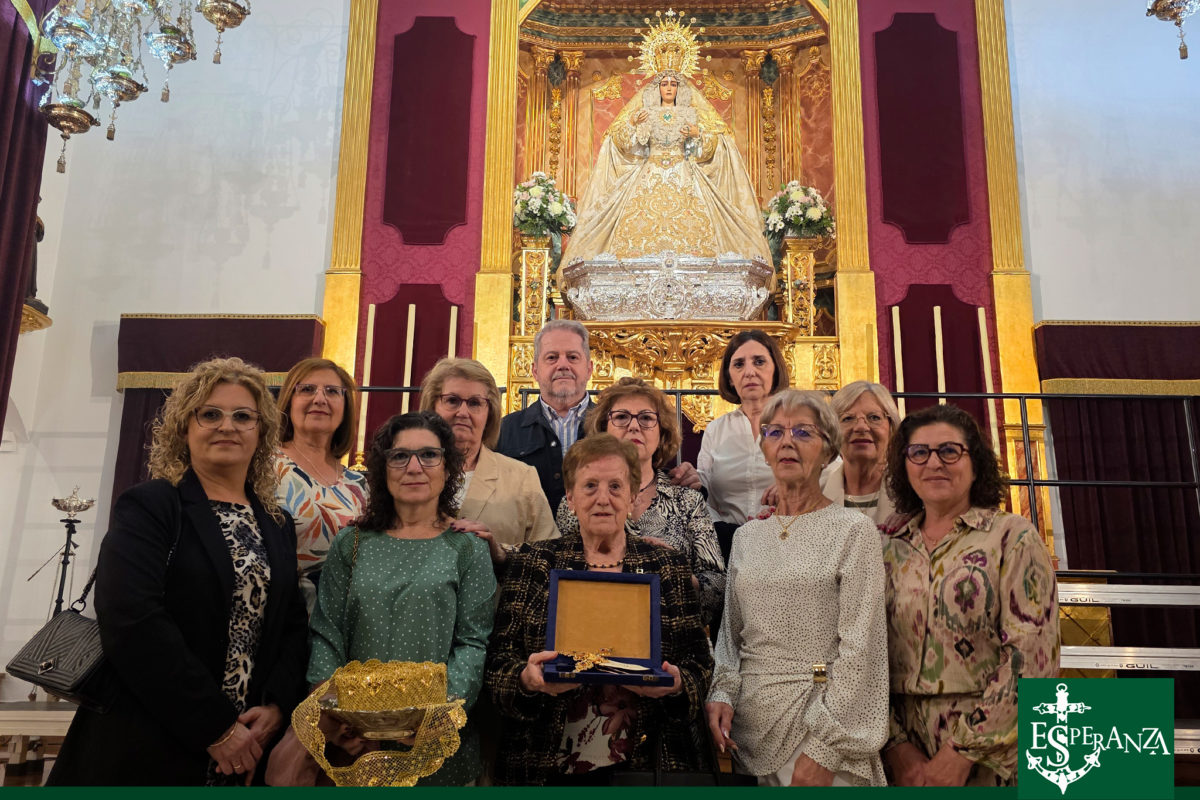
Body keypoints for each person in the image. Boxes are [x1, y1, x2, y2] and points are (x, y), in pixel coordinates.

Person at [48, 357, 309, 786]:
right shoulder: (152, 506)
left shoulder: (277, 523)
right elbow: (132, 619)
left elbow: (292, 625)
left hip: (249, 747)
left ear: (261, 432)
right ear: (185, 428)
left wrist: (277, 705)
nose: (227, 426)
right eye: (210, 414)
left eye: (243, 416)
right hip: (151, 737)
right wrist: (216, 727)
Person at [486, 434, 714, 786]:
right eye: (590, 486)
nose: (603, 499)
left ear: (633, 496)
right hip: (543, 763)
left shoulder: (666, 566)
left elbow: (700, 665)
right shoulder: (535, 563)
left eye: (615, 486)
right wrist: (527, 680)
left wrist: (676, 684)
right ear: (571, 498)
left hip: (648, 763)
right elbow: (498, 666)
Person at [705, 389, 889, 786]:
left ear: (829, 450)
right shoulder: (747, 537)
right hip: (747, 737)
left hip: (820, 733)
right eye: (775, 432)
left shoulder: (853, 531)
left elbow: (862, 651)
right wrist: (721, 692)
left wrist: (824, 749)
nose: (787, 442)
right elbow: (729, 637)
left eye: (803, 432)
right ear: (764, 449)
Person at [308, 411, 496, 786]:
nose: (414, 467)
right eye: (399, 456)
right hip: (357, 739)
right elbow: (327, 631)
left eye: (429, 455)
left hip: (436, 742)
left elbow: (473, 642)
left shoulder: (467, 548)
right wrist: (334, 713)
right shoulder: (351, 542)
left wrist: (436, 717)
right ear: (383, 468)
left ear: (448, 467)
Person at [880, 404, 1059, 786]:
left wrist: (963, 752)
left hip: (993, 752)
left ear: (975, 463)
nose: (934, 463)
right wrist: (897, 748)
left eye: (949, 451)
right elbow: (868, 656)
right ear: (905, 466)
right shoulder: (888, 547)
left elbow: (1032, 657)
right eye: (919, 452)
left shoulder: (1012, 537)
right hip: (902, 757)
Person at [555, 377, 725, 628]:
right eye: (622, 417)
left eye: (646, 418)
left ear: (661, 432)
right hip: (589, 627)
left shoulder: (688, 502)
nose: (634, 426)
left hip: (670, 634)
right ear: (603, 428)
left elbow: (718, 589)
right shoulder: (577, 501)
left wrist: (676, 571)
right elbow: (557, 571)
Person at [565, 68, 769, 266]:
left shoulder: (690, 114)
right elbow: (627, 144)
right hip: (649, 174)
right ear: (658, 88)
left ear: (679, 88)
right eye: (664, 84)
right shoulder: (646, 113)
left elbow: (705, 151)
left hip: (684, 173)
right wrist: (633, 123)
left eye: (673, 84)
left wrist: (697, 134)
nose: (669, 88)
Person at [419, 357, 557, 569]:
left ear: (489, 413)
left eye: (475, 403)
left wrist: (501, 553)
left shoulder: (521, 477)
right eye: (452, 400)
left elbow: (550, 556)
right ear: (432, 407)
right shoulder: (406, 471)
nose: (462, 412)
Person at [275, 358, 368, 612]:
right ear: (289, 401)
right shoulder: (263, 466)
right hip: (284, 617)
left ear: (345, 407)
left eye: (332, 391)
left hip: (345, 620)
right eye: (307, 389)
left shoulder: (359, 485)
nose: (319, 399)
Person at [694, 329, 790, 559]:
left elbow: (829, 473)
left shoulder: (799, 422)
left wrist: (798, 488)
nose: (749, 372)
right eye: (738, 364)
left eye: (759, 362)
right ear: (729, 377)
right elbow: (703, 494)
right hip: (729, 545)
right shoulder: (716, 430)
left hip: (790, 540)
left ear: (775, 369)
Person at [496, 320, 595, 514]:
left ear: (589, 369)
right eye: (552, 357)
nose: (563, 365)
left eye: (572, 357)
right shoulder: (504, 430)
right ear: (535, 370)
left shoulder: (613, 426)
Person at [820, 380, 901, 525]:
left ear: (892, 428)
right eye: (848, 418)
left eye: (874, 417)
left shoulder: (912, 493)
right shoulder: (815, 493)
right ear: (832, 432)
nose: (861, 427)